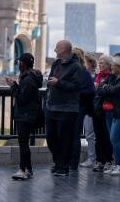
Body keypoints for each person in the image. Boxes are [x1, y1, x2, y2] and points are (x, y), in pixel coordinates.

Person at [45, 40, 85, 177]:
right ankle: (57, 162)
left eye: (57, 48)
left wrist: (59, 83)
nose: (55, 50)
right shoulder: (56, 63)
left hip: (67, 109)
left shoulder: (76, 67)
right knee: (51, 137)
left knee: (65, 139)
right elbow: (51, 79)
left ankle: (63, 166)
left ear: (65, 50)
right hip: (52, 107)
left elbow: (77, 87)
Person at [96, 56, 120, 175]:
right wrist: (106, 88)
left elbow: (114, 90)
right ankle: (118, 163)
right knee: (114, 139)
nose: (111, 67)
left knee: (113, 138)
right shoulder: (112, 77)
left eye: (113, 65)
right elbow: (100, 89)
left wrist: (105, 88)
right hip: (109, 111)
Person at [6, 53, 42, 180]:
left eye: (19, 62)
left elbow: (21, 99)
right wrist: (16, 85)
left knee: (23, 143)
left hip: (25, 115)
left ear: (23, 64)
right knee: (24, 143)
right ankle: (28, 170)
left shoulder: (28, 80)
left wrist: (12, 87)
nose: (18, 64)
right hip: (28, 115)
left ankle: (23, 169)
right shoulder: (30, 78)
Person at [92, 55, 114, 172]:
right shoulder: (97, 77)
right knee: (98, 137)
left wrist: (99, 87)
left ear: (109, 65)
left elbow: (109, 91)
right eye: (99, 63)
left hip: (107, 110)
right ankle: (99, 160)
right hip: (97, 110)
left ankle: (108, 160)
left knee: (107, 136)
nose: (100, 65)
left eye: (103, 63)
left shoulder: (112, 77)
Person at [79, 53, 97, 168]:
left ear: (90, 63)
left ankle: (93, 158)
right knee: (89, 133)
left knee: (92, 134)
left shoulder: (96, 76)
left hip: (93, 109)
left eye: (85, 62)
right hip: (85, 108)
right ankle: (92, 157)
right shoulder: (82, 75)